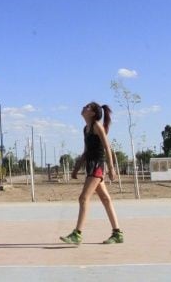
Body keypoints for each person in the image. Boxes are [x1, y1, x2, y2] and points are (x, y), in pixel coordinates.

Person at [60, 102, 123, 245]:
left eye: (88, 107)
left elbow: (107, 147)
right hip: (90, 166)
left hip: (98, 166)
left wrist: (112, 168)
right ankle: (117, 233)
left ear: (93, 113)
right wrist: (76, 167)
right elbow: (86, 151)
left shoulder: (97, 126)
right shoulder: (86, 129)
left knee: (83, 198)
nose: (84, 107)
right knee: (106, 200)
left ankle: (77, 234)